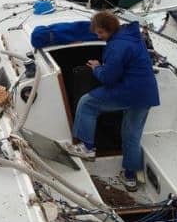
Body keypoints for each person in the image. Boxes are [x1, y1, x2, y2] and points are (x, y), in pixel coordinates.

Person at [62, 11, 159, 192]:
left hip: (128, 92)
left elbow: (108, 78)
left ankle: (88, 147)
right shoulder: (132, 37)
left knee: (87, 103)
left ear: (109, 29)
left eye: (100, 33)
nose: (99, 37)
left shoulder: (117, 47)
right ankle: (130, 177)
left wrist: (97, 68)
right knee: (132, 136)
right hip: (146, 94)